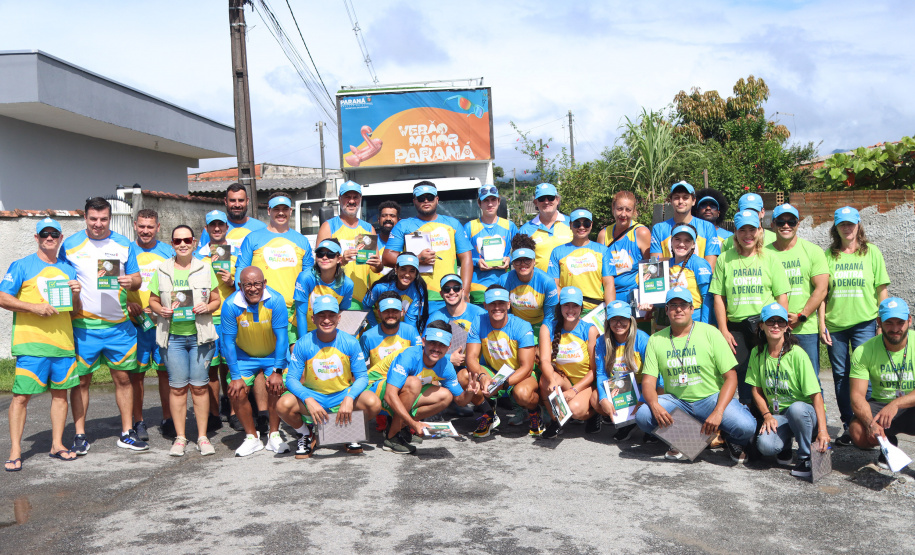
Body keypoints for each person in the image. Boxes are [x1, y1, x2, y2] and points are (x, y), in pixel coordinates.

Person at [59, 197, 144, 453]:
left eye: (103, 219)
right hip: (83, 327)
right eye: (93, 219)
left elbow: (138, 278)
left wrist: (132, 282)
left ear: (110, 218)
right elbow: (61, 278)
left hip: (119, 327)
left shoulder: (124, 243)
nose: (98, 224)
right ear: (85, 217)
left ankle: (127, 432)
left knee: (123, 379)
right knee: (82, 382)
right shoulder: (70, 245)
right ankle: (80, 434)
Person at [635, 287, 756, 463]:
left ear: (692, 309)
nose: (678, 309)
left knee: (747, 426)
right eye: (673, 305)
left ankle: (732, 440)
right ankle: (691, 440)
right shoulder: (656, 339)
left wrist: (718, 412)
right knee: (644, 415)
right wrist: (654, 405)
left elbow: (731, 377)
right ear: (666, 310)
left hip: (710, 399)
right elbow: (648, 382)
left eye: (683, 305)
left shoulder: (710, 333)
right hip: (677, 400)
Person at [1, 218, 81, 471]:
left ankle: (57, 444)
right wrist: (33, 308)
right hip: (31, 345)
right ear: (36, 238)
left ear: (60, 237)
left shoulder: (68, 269)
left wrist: (77, 294)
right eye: (44, 234)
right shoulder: (22, 265)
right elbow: (3, 297)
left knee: (60, 395)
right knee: (21, 397)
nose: (49, 238)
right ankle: (15, 450)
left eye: (54, 234)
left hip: (63, 344)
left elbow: (75, 312)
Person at [148, 225, 221, 457]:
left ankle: (202, 436)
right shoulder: (162, 269)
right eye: (177, 240)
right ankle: (180, 437)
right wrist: (162, 310)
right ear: (171, 243)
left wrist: (206, 306)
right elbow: (152, 300)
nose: (182, 244)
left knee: (200, 387)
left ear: (195, 242)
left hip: (200, 337)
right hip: (173, 338)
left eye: (186, 240)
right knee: (178, 388)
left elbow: (216, 300)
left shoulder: (205, 267)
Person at [278, 295, 381, 458]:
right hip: (314, 396)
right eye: (321, 315)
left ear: (339, 318)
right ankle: (306, 434)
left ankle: (347, 431)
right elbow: (291, 379)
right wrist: (308, 399)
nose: (327, 320)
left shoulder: (350, 342)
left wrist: (349, 398)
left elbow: (362, 377)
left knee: (373, 403)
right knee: (283, 405)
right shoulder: (303, 343)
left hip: (342, 395)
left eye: (331, 315)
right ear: (313, 318)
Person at [820, 206, 889, 445]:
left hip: (865, 323)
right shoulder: (828, 256)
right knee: (840, 375)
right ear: (835, 228)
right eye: (842, 224)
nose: (847, 228)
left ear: (858, 225)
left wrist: (881, 323)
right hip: (836, 325)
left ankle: (870, 425)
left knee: (866, 376)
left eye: (851, 223)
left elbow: (882, 291)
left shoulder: (872, 253)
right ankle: (850, 424)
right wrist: (822, 323)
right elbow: (822, 294)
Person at [710, 209, 790, 404]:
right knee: (743, 373)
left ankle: (771, 416)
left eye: (752, 229)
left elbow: (782, 296)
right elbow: (719, 297)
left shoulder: (771, 259)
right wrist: (723, 329)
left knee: (766, 370)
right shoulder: (725, 259)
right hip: (737, 327)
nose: (748, 235)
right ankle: (748, 419)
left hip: (764, 324)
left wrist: (781, 326)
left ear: (760, 230)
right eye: (742, 230)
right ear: (735, 232)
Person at [747, 303, 829, 477]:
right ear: (761, 325)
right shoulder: (757, 353)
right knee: (765, 445)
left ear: (787, 327)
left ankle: (806, 457)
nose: (776, 326)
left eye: (781, 322)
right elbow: (756, 390)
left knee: (797, 408)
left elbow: (816, 395)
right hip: (779, 415)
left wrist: (823, 430)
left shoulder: (797, 354)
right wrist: (767, 415)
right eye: (770, 321)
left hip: (806, 415)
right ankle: (785, 444)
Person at [220, 267, 290, 457]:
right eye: (248, 284)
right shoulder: (230, 304)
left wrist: (277, 370)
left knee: (277, 386)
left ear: (264, 283)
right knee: (236, 390)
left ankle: (274, 434)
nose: (253, 288)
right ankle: (252, 437)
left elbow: (282, 338)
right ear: (240, 285)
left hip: (272, 355)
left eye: (257, 283)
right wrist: (234, 376)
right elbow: (228, 342)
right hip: (244, 356)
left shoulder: (276, 300)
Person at [381, 321, 476, 454]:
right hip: (376, 390)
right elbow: (389, 395)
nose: (437, 348)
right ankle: (392, 438)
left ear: (449, 347)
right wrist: (414, 424)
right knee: (414, 383)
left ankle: (400, 427)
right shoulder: (409, 355)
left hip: (398, 394)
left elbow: (460, 400)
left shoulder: (446, 365)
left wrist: (470, 392)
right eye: (433, 342)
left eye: (442, 344)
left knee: (446, 396)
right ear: (424, 341)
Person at [382, 181, 473, 314]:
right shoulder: (404, 225)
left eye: (430, 197)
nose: (426, 201)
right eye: (420, 198)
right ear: (414, 201)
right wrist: (416, 260)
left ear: (437, 199)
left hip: (448, 295)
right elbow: (387, 257)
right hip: (414, 296)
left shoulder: (453, 224)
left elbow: (466, 259)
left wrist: (465, 293)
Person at [236, 192, 314, 343]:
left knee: (292, 361)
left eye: (285, 208)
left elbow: (309, 277)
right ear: (268, 211)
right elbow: (241, 272)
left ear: (291, 211)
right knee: (265, 359)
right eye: (276, 208)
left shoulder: (302, 240)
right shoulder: (252, 238)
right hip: (262, 309)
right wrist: (245, 303)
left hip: (293, 313)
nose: (280, 213)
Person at [125, 208, 175, 442]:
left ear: (158, 227)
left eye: (150, 226)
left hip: (164, 322)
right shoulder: (126, 250)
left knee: (166, 374)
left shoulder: (168, 252)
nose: (146, 231)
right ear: (135, 225)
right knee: (137, 375)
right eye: (142, 226)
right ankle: (138, 421)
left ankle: (168, 419)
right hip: (137, 324)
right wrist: (127, 304)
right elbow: (114, 284)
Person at [465, 285, 540, 438]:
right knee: (464, 376)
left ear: (508, 304)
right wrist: (482, 377)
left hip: (519, 374)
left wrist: (503, 384)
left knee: (523, 394)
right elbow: (471, 358)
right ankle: (489, 413)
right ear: (485, 305)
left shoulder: (522, 325)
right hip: (493, 371)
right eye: (492, 303)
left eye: (501, 303)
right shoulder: (478, 321)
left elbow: (527, 367)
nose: (497, 307)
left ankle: (534, 411)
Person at [849, 298, 915, 469]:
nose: (895, 329)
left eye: (900, 323)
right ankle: (888, 443)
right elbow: (857, 397)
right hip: (880, 406)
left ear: (909, 320)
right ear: (879, 322)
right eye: (889, 323)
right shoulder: (863, 351)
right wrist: (871, 424)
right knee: (857, 431)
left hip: (910, 405)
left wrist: (896, 403)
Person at [765, 204, 828, 379]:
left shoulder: (813, 251)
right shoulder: (764, 254)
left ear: (798, 224)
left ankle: (815, 408)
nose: (786, 225)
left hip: (804, 328)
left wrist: (802, 316)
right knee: (777, 379)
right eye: (781, 222)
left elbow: (822, 288)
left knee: (810, 379)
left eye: (791, 221)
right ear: (772, 224)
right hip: (774, 328)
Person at [538, 287, 600, 438]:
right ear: (560, 307)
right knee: (545, 380)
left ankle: (593, 414)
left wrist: (575, 390)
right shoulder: (548, 327)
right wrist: (552, 380)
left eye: (575, 306)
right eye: (566, 305)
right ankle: (556, 420)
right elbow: (545, 360)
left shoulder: (590, 330)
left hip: (585, 383)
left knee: (576, 410)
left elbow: (595, 370)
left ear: (581, 308)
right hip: (564, 379)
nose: (570, 310)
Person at [195, 210, 236, 431]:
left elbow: (248, 285)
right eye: (213, 225)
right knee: (210, 367)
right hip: (207, 318)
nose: (217, 228)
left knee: (230, 366)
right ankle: (212, 412)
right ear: (207, 228)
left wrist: (232, 281)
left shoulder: (237, 252)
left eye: (221, 224)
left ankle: (233, 410)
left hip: (230, 317)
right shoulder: (198, 255)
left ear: (227, 227)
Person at [315, 180, 383, 309]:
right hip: (335, 298)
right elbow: (318, 266)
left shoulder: (368, 229)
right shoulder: (328, 227)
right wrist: (341, 261)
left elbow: (376, 268)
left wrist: (378, 264)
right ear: (340, 199)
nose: (351, 201)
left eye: (355, 197)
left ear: (360, 199)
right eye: (347, 197)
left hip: (362, 300)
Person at [592, 300, 652, 442]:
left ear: (630, 320)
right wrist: (603, 399)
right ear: (608, 322)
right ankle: (627, 423)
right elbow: (601, 373)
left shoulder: (643, 339)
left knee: (648, 403)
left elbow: (654, 374)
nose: (618, 323)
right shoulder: (601, 341)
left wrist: (643, 399)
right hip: (619, 387)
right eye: (614, 319)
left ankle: (649, 425)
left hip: (642, 386)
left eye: (623, 319)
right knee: (595, 399)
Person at [548, 208, 616, 312]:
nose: (581, 227)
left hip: (596, 310)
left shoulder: (603, 251)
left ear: (591, 224)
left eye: (586, 223)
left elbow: (609, 284)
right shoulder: (557, 252)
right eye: (577, 224)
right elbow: (554, 285)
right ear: (570, 225)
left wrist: (611, 312)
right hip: (570, 310)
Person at [649, 181, 721, 269]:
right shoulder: (659, 229)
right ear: (671, 201)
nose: (680, 201)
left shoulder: (707, 227)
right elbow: (657, 268)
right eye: (676, 198)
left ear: (694, 201)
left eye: (685, 197)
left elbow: (710, 268)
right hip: (670, 281)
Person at [464, 184, 515, 305]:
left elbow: (521, 254)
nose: (490, 204)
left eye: (493, 200)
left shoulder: (510, 226)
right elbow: (460, 257)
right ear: (479, 203)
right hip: (478, 287)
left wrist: (510, 259)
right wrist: (477, 262)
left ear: (498, 201)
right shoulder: (469, 227)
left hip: (504, 284)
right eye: (485, 200)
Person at [597, 191, 650, 304]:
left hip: (635, 297)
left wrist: (648, 300)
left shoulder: (641, 233)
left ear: (634, 211)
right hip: (609, 296)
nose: (623, 214)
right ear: (613, 209)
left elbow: (650, 268)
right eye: (620, 209)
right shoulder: (603, 234)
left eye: (628, 210)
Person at [499, 235, 558, 333]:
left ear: (534, 261)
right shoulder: (504, 280)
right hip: (515, 325)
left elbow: (549, 317)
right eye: (518, 260)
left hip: (541, 326)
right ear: (513, 262)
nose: (523, 264)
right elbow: (505, 313)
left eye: (527, 259)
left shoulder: (547, 282)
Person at [293, 239, 354, 333]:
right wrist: (304, 343)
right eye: (320, 254)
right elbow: (301, 314)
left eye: (330, 254)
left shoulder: (347, 284)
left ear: (339, 259)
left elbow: (342, 313)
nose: (324, 257)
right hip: (300, 328)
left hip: (327, 331)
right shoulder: (305, 277)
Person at [659, 224, 713, 324]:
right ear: (671, 242)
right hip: (675, 320)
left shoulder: (699, 263)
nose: (682, 244)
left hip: (696, 320)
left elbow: (708, 297)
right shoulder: (664, 265)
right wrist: (649, 304)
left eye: (687, 240)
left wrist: (705, 326)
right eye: (677, 239)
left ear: (693, 244)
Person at [364, 253, 428, 331]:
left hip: (400, 331)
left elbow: (411, 321)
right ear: (396, 269)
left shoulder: (418, 291)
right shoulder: (380, 287)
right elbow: (366, 305)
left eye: (412, 271)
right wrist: (374, 327)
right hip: (378, 329)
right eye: (403, 269)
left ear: (416, 274)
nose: (407, 275)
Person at [519, 183, 572, 273]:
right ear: (536, 202)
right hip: (540, 285)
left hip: (569, 283)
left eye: (551, 198)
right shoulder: (525, 230)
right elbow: (520, 262)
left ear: (557, 200)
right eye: (542, 199)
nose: (546, 202)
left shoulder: (572, 224)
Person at [197, 182, 267, 251]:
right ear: (225, 201)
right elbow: (202, 258)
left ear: (247, 201)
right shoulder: (214, 229)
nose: (237, 205)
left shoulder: (261, 228)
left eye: (241, 200)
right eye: (232, 200)